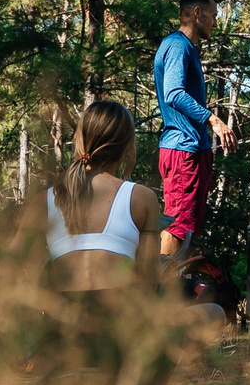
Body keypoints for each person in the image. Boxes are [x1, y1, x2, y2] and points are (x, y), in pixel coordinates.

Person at [45, 100, 163, 291]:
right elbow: (149, 279)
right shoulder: (141, 198)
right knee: (213, 310)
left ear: (80, 140)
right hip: (117, 317)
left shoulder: (45, 200)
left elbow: (12, 267)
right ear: (127, 147)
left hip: (61, 317)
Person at [152, 0, 232, 259]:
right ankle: (160, 293)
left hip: (192, 151)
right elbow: (173, 93)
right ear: (197, 13)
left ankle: (174, 292)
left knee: (187, 228)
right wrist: (213, 119)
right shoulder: (177, 45)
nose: (215, 22)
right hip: (183, 151)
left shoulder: (186, 48)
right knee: (178, 225)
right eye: (212, 15)